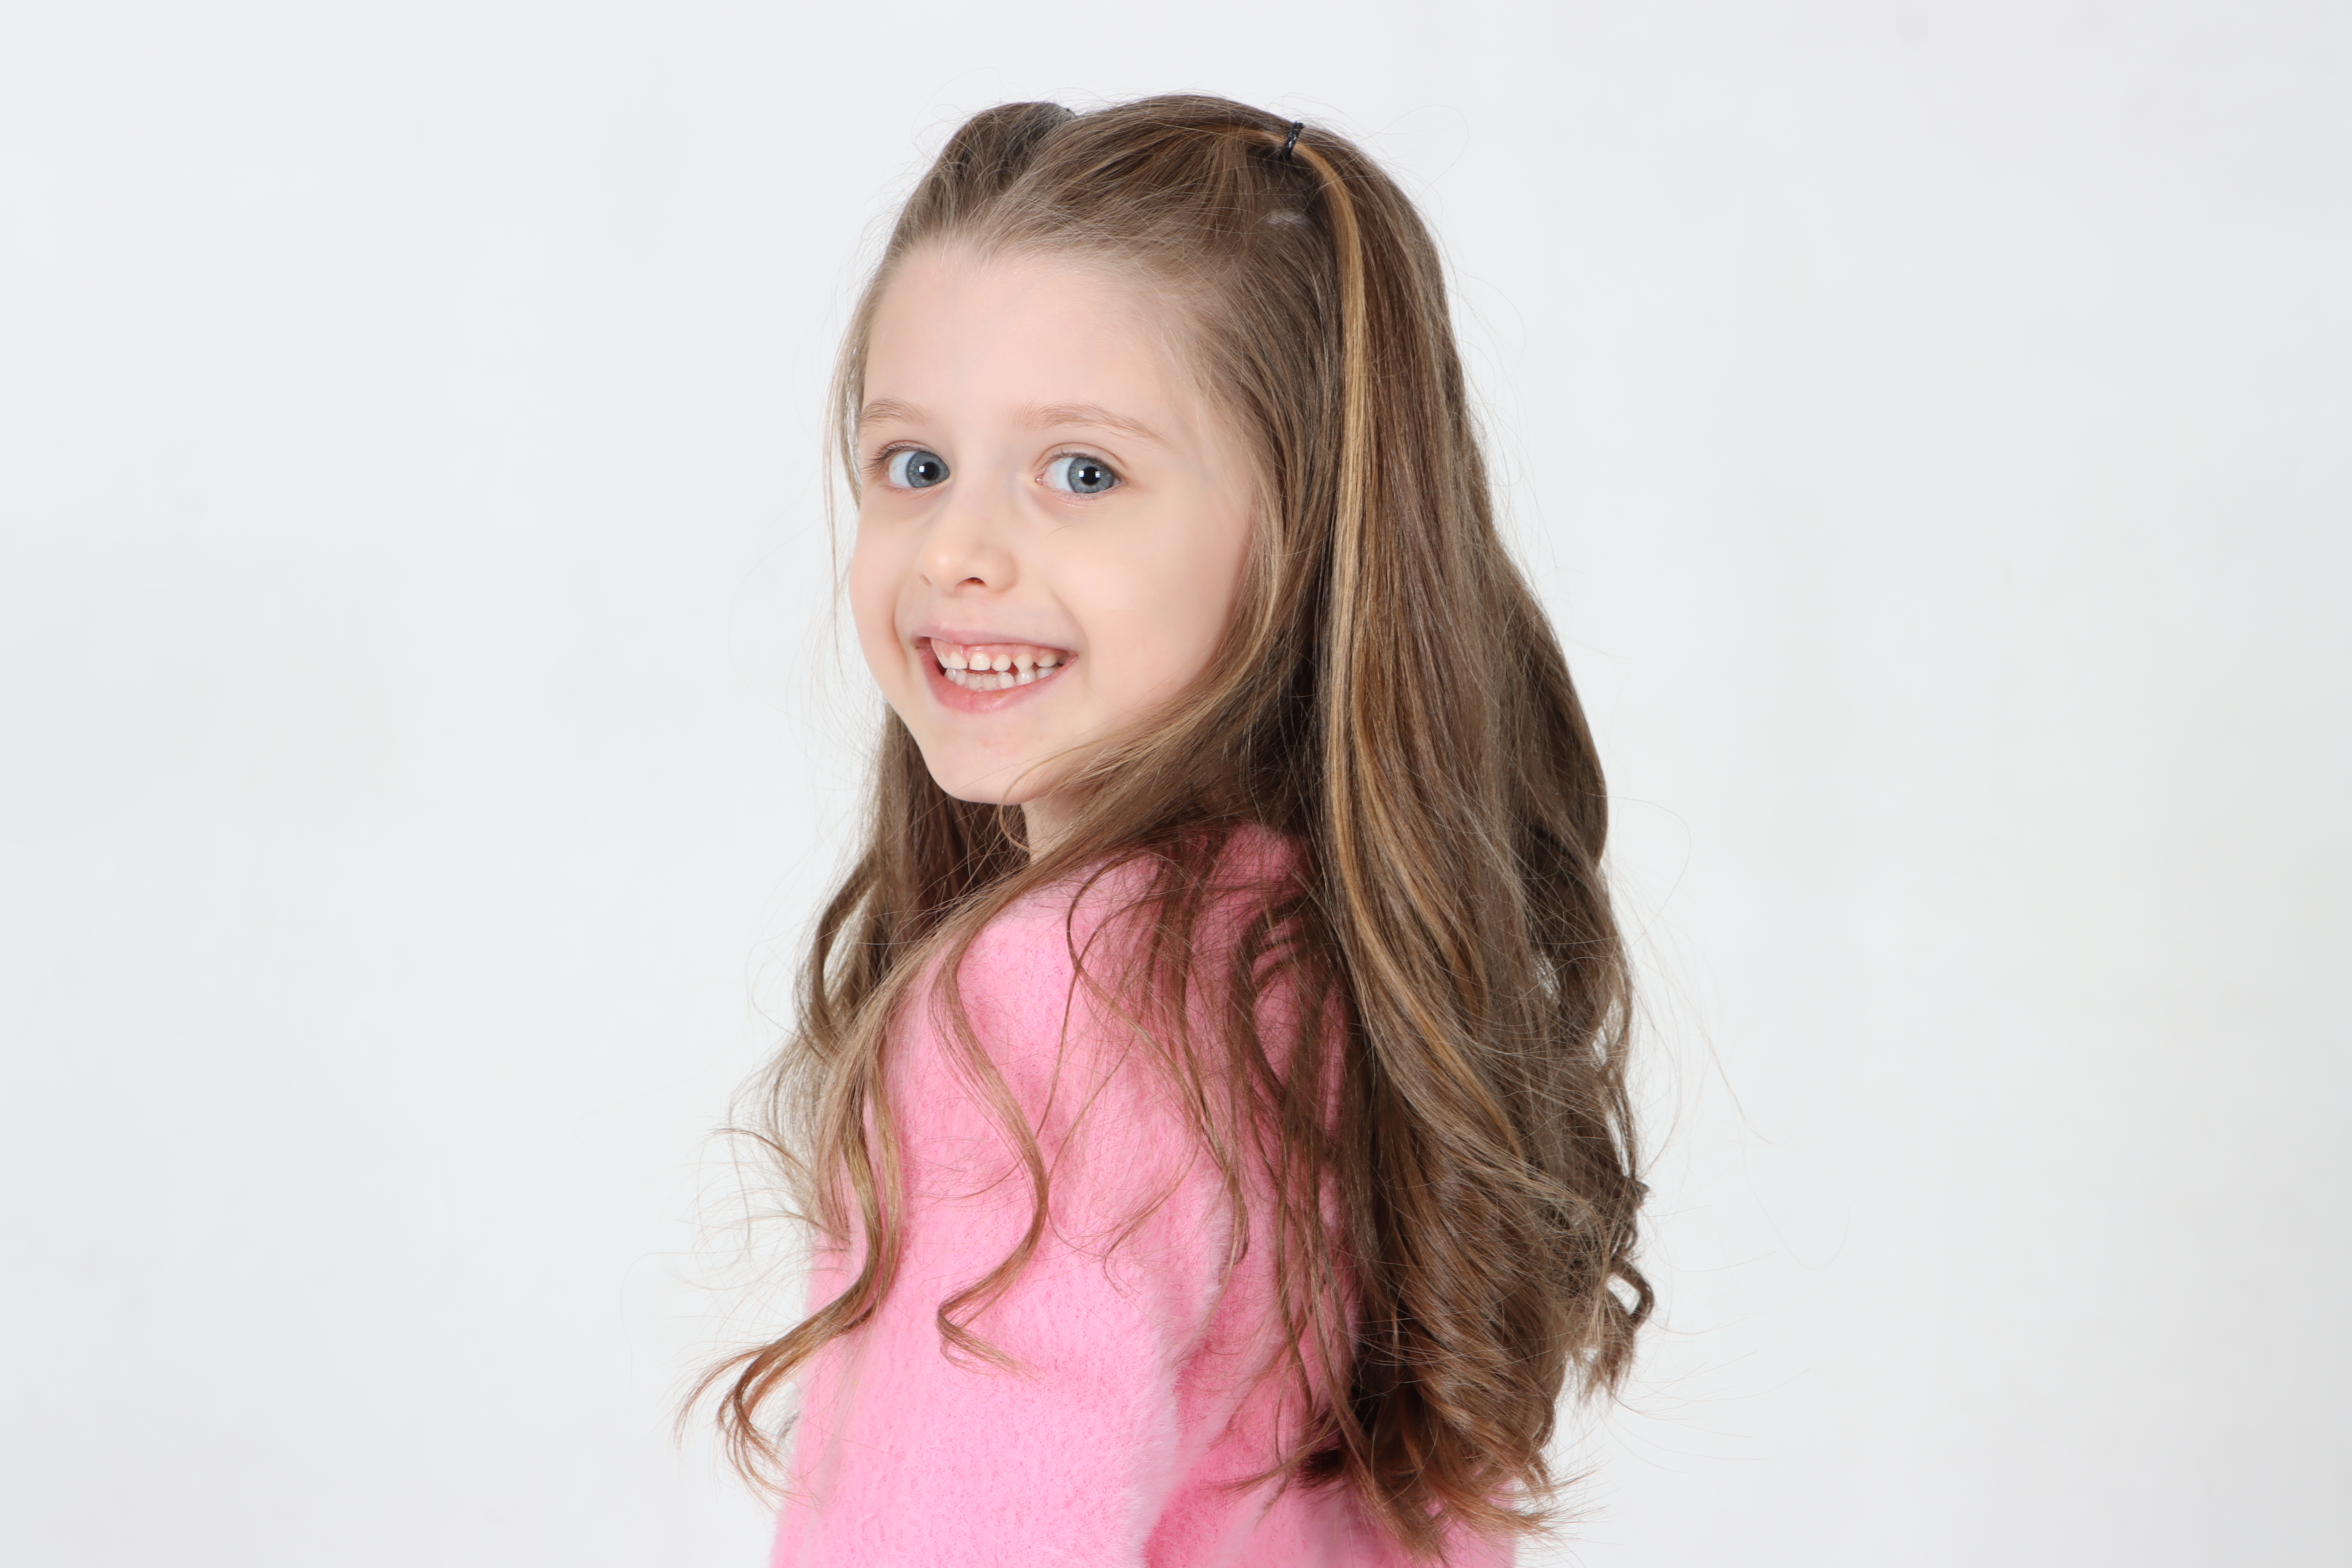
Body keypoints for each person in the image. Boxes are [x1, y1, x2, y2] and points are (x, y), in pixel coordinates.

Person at [700, 94, 1648, 1567]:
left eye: (1083, 473)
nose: (956, 549)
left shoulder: (1047, 1010)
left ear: (1299, 531)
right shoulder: (1344, 962)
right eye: (914, 465)